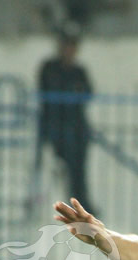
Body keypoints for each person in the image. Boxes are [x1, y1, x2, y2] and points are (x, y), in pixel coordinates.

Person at [36, 24, 96, 214]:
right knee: (52, 169)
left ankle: (80, 205)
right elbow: (48, 93)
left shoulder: (79, 71)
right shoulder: (49, 68)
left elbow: (87, 93)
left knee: (78, 170)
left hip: (76, 130)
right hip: (54, 128)